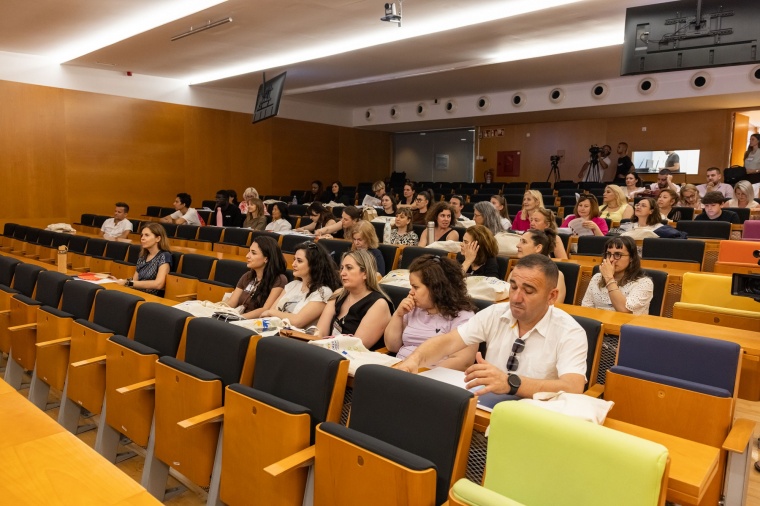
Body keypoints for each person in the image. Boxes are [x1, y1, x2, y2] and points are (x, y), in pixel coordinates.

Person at [396, 254, 588, 398]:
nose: (516, 298)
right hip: (489, 401)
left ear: (552, 296)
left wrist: (510, 383)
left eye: (528, 291)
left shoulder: (570, 331)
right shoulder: (496, 313)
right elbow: (448, 342)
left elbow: (573, 387)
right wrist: (415, 360)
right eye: (513, 287)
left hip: (537, 414)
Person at [385, 255, 477, 370]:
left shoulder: (463, 316)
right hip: (400, 368)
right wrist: (398, 315)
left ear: (436, 288)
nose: (411, 292)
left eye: (415, 287)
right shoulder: (413, 307)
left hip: (431, 376)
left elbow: (463, 362)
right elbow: (392, 347)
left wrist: (420, 372)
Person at [316, 250, 394, 349]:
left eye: (349, 268)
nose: (342, 273)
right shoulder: (338, 294)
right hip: (327, 351)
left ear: (365, 273)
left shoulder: (379, 304)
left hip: (353, 356)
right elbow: (320, 332)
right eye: (342, 268)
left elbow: (356, 347)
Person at [262, 241, 341, 328]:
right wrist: (271, 313)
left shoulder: (323, 292)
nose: (293, 264)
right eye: (294, 260)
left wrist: (271, 312)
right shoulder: (292, 285)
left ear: (314, 264)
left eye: (299, 261)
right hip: (273, 329)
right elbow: (268, 316)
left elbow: (297, 322)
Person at [581, 236, 653, 315]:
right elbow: (586, 308)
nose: (611, 259)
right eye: (608, 254)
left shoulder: (644, 283)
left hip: (627, 322)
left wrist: (609, 278)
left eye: (618, 255)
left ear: (631, 258)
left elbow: (624, 310)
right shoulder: (597, 278)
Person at [226, 236, 288, 318]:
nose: (247, 256)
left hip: (254, 322)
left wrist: (238, 318)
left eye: (253, 253)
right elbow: (231, 303)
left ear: (266, 258)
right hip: (237, 317)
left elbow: (265, 309)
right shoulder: (247, 276)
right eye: (249, 251)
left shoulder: (279, 279)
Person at [115, 223, 172, 296]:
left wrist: (128, 283)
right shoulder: (143, 256)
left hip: (152, 297)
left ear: (158, 238)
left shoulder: (164, 256)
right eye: (142, 235)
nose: (142, 238)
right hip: (137, 293)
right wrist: (121, 281)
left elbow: (158, 284)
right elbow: (135, 281)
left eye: (147, 235)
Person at [514, 230, 566, 303]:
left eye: (524, 242)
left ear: (538, 248)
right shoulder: (516, 270)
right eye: (520, 241)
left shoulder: (557, 276)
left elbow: (555, 305)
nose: (518, 245)